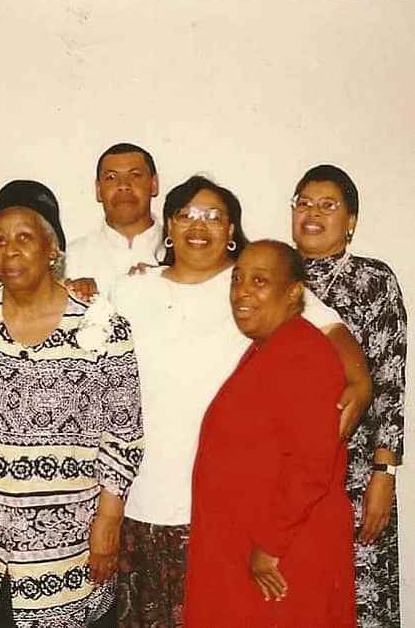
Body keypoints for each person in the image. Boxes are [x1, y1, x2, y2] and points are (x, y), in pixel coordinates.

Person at [112, 175, 371, 626]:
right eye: (187, 214)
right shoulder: (263, 343)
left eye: (214, 216)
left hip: (275, 541)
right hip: (187, 515)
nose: (243, 292)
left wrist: (361, 379)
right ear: (168, 225)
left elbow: (311, 462)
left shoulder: (299, 345)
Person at [0, 180, 144, 628]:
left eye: (24, 238)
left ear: (52, 250)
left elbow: (124, 435)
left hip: (70, 551)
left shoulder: (101, 324)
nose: (10, 250)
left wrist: (109, 520)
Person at [184, 240, 356, 627]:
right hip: (255, 546)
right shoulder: (271, 346)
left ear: (293, 292)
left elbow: (312, 464)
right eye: (237, 279)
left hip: (283, 556)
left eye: (259, 281)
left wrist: (270, 544)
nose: (242, 292)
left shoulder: (304, 353)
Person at [291, 164, 407, 628]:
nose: (312, 214)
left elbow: (390, 383)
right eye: (303, 203)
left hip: (356, 474)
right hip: (287, 480)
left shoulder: (373, 280)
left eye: (328, 205)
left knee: (360, 603)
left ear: (351, 221)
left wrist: (384, 473)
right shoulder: (269, 276)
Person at [65, 142, 163, 294]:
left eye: (135, 175)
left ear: (154, 184)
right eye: (111, 177)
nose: (123, 185)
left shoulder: (181, 251)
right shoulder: (71, 258)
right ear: (98, 190)